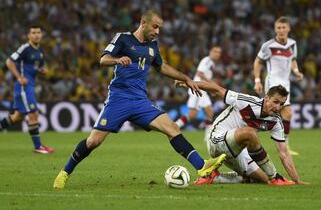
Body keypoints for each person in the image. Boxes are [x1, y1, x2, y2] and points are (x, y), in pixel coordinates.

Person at [53, 10, 226, 189]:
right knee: (93, 141)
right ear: (143, 23)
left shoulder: (153, 46)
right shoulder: (123, 39)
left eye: (159, 28)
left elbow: (162, 67)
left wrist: (186, 79)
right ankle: (65, 172)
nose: (157, 31)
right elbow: (103, 60)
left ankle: (203, 167)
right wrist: (118, 60)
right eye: (155, 27)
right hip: (119, 99)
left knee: (172, 128)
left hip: (140, 101)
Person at [175, 80, 308, 185]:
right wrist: (189, 82)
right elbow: (217, 89)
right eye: (275, 102)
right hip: (216, 140)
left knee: (263, 179)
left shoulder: (276, 121)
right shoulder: (246, 101)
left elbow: (283, 153)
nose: (278, 107)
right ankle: (275, 178)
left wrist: (296, 180)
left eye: (282, 104)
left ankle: (215, 177)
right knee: (250, 133)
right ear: (267, 98)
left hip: (238, 150)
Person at [253, 16, 303, 156]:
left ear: (288, 29)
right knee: (269, 112)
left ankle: (284, 147)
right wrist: (257, 80)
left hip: (285, 82)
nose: (281, 30)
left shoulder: (292, 44)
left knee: (287, 113)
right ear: (275, 29)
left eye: (284, 27)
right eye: (279, 28)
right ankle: (247, 132)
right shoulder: (268, 45)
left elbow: (293, 59)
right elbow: (258, 62)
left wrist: (296, 71)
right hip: (272, 81)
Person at [0, 26, 54, 154]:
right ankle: (38, 146)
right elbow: (9, 62)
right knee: (33, 114)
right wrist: (19, 77)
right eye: (33, 32)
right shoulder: (25, 48)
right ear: (28, 36)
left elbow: (35, 68)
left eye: (38, 32)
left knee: (17, 117)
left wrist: (41, 71)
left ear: (41, 35)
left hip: (29, 87)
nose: (36, 35)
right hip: (23, 87)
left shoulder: (39, 52)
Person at [175, 46, 222, 134]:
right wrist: (212, 84)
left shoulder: (211, 63)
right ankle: (175, 126)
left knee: (201, 113)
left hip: (201, 89)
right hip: (197, 89)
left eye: (219, 52)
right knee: (203, 112)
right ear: (210, 52)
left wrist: (210, 88)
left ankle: (176, 126)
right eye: (215, 51)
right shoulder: (207, 60)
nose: (217, 54)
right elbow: (199, 73)